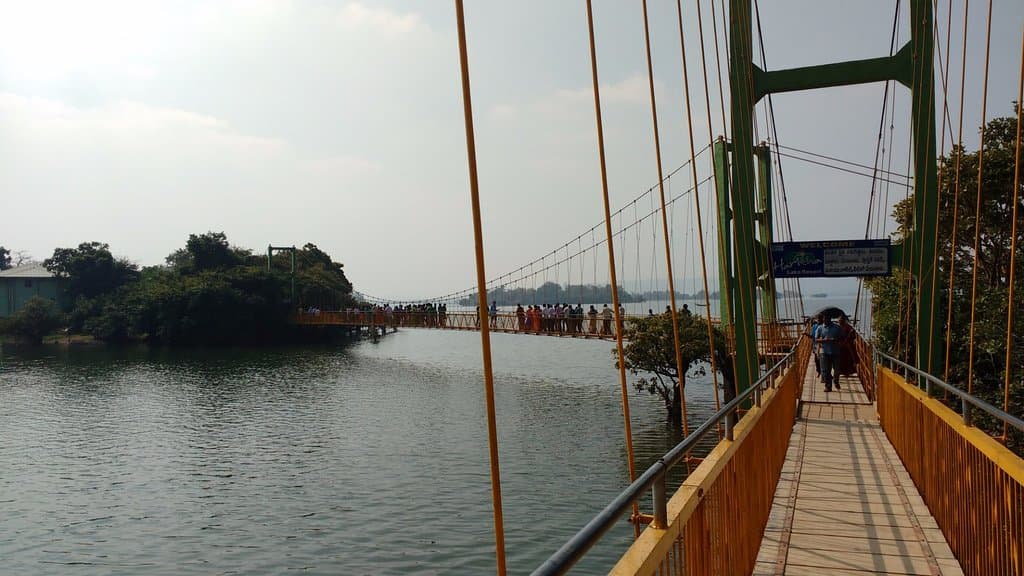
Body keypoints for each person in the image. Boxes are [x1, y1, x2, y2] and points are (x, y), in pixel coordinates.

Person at [815, 317, 843, 392]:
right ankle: (828, 386)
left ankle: (836, 381)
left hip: (835, 351)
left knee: (837, 369)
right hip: (824, 351)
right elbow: (816, 339)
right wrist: (824, 340)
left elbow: (842, 337)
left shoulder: (837, 327)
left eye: (826, 319)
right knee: (826, 370)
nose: (824, 320)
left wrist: (835, 340)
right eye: (823, 319)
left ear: (830, 319)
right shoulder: (820, 328)